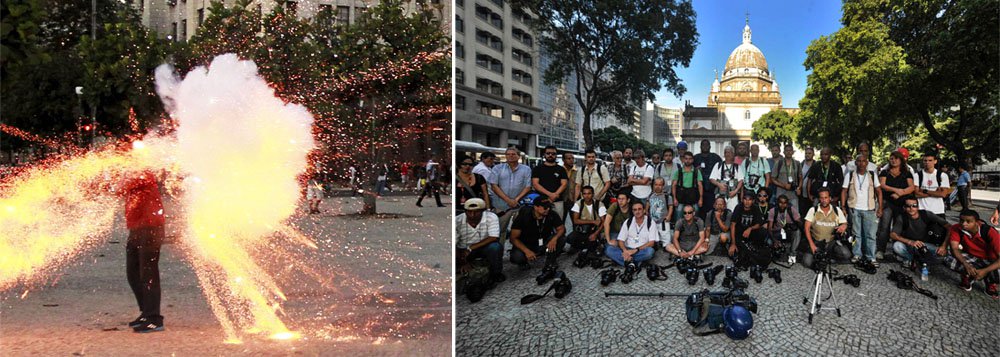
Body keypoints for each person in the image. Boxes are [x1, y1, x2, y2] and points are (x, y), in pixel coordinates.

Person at [122, 169, 166, 333]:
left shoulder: (142, 172)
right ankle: (146, 312)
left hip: (150, 228)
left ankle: (154, 319)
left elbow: (122, 185)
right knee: (133, 272)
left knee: (148, 274)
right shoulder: (133, 170)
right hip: (137, 228)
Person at [945, 210, 999, 298]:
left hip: (990, 260)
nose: (964, 224)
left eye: (968, 221)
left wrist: (985, 271)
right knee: (948, 259)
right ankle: (967, 276)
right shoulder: (956, 228)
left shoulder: (989, 231)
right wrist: (966, 265)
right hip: (972, 258)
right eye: (961, 220)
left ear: (977, 222)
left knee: (997, 271)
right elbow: (954, 249)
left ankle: (991, 283)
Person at [841, 154, 883, 266]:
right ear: (855, 163)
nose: (861, 163)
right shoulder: (850, 175)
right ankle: (857, 254)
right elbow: (844, 191)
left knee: (870, 235)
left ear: (867, 162)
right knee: (856, 234)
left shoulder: (872, 175)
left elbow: (879, 191)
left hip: (870, 209)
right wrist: (843, 207)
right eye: (858, 161)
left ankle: (871, 257)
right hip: (854, 209)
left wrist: (880, 208)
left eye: (863, 161)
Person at [509, 196, 566, 271]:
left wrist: (554, 239)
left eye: (549, 207)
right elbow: (513, 238)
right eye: (545, 208)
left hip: (544, 242)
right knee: (517, 257)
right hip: (527, 244)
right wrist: (527, 251)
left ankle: (551, 260)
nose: (548, 209)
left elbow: (561, 229)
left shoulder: (552, 214)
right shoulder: (524, 216)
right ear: (536, 207)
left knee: (561, 238)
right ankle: (523, 262)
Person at [890, 197, 949, 269]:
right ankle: (913, 259)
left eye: (914, 205)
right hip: (910, 244)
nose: (911, 208)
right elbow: (893, 234)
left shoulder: (926, 214)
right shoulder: (902, 217)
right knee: (897, 246)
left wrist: (944, 246)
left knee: (942, 255)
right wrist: (910, 242)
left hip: (926, 244)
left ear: (918, 207)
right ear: (904, 208)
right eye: (908, 206)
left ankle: (911, 259)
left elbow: (949, 226)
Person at [876, 151, 915, 260]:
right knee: (884, 226)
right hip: (887, 203)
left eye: (896, 158)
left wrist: (900, 193)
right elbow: (882, 185)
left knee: (899, 228)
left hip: (902, 204)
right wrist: (896, 190)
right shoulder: (885, 172)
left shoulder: (907, 173)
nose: (894, 160)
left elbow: (911, 187)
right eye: (892, 158)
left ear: (901, 160)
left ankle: (897, 250)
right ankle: (880, 250)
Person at [456, 199, 505, 282]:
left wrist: (471, 248)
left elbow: (494, 237)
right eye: (469, 212)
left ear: (483, 211)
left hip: (483, 247)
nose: (472, 215)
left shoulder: (491, 217)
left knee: (495, 247)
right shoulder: (457, 221)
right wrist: (463, 262)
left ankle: (496, 274)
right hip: (462, 250)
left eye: (476, 212)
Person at [802, 188, 852, 270]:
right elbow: (806, 228)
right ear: (818, 199)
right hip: (817, 242)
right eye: (821, 198)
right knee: (807, 262)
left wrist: (844, 226)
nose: (824, 200)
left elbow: (844, 223)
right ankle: (820, 258)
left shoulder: (836, 210)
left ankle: (828, 256)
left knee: (846, 254)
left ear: (830, 198)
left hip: (832, 242)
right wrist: (812, 245)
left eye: (826, 197)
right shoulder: (813, 210)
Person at [491, 147, 533, 241]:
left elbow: (528, 187)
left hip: (519, 205)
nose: (510, 156)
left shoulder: (526, 169)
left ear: (518, 156)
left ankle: (517, 251)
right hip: (501, 205)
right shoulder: (497, 168)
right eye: (508, 154)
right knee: (500, 231)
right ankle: (499, 252)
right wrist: (508, 200)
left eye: (513, 154)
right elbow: (494, 186)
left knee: (520, 229)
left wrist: (515, 200)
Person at [607, 201, 658, 267]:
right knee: (609, 250)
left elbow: (651, 243)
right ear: (633, 212)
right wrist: (625, 251)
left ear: (644, 210)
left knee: (650, 252)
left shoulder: (650, 222)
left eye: (639, 209)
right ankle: (635, 263)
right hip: (627, 248)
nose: (637, 212)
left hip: (641, 250)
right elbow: (621, 240)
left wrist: (636, 250)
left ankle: (625, 261)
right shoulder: (628, 221)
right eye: (635, 210)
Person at [728, 191, 771, 268]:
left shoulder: (755, 208)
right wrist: (733, 243)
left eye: (750, 199)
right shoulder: (738, 207)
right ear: (742, 200)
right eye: (745, 199)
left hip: (750, 233)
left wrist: (750, 228)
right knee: (737, 254)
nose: (747, 202)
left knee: (763, 231)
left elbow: (759, 224)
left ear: (753, 201)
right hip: (739, 234)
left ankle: (755, 247)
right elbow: (733, 225)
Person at [566, 186, 607, 257]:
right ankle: (582, 246)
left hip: (596, 230)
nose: (587, 196)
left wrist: (596, 234)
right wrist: (592, 221)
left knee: (594, 244)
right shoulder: (578, 204)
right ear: (582, 194)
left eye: (589, 193)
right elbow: (575, 221)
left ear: (593, 194)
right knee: (570, 238)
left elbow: (604, 222)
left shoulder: (599, 204)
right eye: (584, 194)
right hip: (584, 229)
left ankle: (594, 245)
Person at [531, 146, 569, 218]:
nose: (550, 155)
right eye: (548, 153)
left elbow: (564, 184)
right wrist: (550, 195)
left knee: (558, 222)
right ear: (544, 155)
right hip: (541, 201)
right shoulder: (537, 168)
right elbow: (535, 184)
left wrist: (555, 195)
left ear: (556, 155)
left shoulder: (561, 169)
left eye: (553, 154)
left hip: (558, 201)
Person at [915, 152, 951, 218]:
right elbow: (916, 194)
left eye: (930, 160)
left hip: (938, 210)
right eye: (925, 160)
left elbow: (943, 194)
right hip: (922, 210)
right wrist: (936, 192)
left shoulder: (942, 175)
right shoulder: (917, 175)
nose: (927, 162)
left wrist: (925, 191)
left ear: (935, 161)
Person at [768, 195, 802, 264]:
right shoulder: (773, 211)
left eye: (785, 203)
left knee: (797, 232)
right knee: (769, 242)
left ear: (787, 203)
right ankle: (778, 252)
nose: (782, 205)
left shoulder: (791, 209)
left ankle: (792, 254)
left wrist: (796, 223)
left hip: (789, 231)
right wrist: (775, 240)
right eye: (780, 202)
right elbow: (769, 228)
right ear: (777, 202)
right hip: (777, 232)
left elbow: (800, 223)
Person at [672, 151, 703, 222]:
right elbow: (674, 185)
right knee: (679, 210)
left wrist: (701, 199)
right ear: (683, 160)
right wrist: (674, 198)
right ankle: (678, 229)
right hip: (681, 198)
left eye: (690, 159)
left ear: (692, 160)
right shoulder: (678, 171)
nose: (688, 160)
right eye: (686, 158)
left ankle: (696, 229)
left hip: (693, 197)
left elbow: (700, 185)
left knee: (696, 210)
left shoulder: (696, 172)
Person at [710, 146, 744, 211]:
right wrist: (719, 185)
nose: (728, 154)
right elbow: (711, 179)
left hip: (732, 194)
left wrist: (736, 191)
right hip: (720, 194)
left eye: (730, 152)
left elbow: (741, 180)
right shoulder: (718, 165)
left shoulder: (737, 167)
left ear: (733, 154)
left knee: (733, 212)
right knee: (719, 211)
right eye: (726, 152)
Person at [695, 140, 723, 216]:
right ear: (700, 147)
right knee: (700, 210)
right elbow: (690, 171)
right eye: (703, 145)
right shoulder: (696, 158)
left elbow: (721, 169)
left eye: (707, 145)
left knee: (711, 209)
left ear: (710, 147)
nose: (705, 147)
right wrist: (696, 170)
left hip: (712, 189)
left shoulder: (715, 157)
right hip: (699, 189)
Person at [772, 144, 802, 210]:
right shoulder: (778, 163)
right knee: (781, 214)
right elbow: (773, 179)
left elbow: (800, 177)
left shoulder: (797, 163)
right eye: (787, 150)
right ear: (784, 152)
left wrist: (799, 188)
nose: (788, 152)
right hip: (781, 193)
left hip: (793, 194)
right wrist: (783, 185)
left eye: (790, 150)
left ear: (793, 152)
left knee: (795, 214)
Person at [649, 177, 673, 249]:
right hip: (653, 221)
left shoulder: (667, 196)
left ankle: (666, 245)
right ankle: (656, 244)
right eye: (656, 184)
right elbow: (648, 205)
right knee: (653, 235)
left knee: (665, 236)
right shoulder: (651, 196)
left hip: (663, 221)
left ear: (663, 186)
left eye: (660, 185)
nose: (657, 186)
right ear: (653, 185)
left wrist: (669, 216)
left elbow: (671, 207)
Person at [799, 147, 816, 218]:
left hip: (813, 194)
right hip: (802, 194)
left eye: (809, 153)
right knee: (803, 213)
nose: (807, 155)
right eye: (806, 153)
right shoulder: (801, 164)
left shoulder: (817, 165)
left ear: (813, 154)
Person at [561, 152, 578, 221]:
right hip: (562, 200)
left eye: (572, 158)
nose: (571, 160)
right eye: (569, 158)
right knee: (561, 221)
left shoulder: (577, 171)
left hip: (573, 200)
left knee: (575, 221)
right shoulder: (560, 170)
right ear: (563, 160)